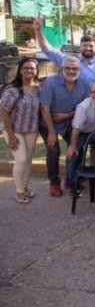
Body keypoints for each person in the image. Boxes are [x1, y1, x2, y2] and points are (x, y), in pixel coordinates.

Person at [39, 56, 89, 197]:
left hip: (70, 122)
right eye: (68, 68)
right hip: (49, 122)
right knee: (53, 151)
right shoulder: (50, 82)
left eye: (75, 68)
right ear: (61, 69)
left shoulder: (84, 84)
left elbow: (84, 107)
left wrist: (67, 116)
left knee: (77, 147)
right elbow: (44, 107)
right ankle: (54, 183)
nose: (71, 71)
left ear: (79, 70)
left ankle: (70, 178)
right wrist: (51, 131)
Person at [1, 58, 40, 203]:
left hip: (31, 129)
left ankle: (25, 187)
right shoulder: (13, 90)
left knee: (28, 160)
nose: (29, 70)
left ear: (36, 71)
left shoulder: (38, 88)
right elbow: (4, 112)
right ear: (20, 70)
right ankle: (19, 191)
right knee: (21, 159)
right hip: (14, 129)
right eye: (26, 68)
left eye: (32, 68)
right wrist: (11, 136)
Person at [34, 18, 95, 87]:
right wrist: (38, 30)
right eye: (85, 45)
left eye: (91, 46)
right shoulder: (67, 60)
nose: (88, 48)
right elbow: (48, 50)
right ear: (80, 47)